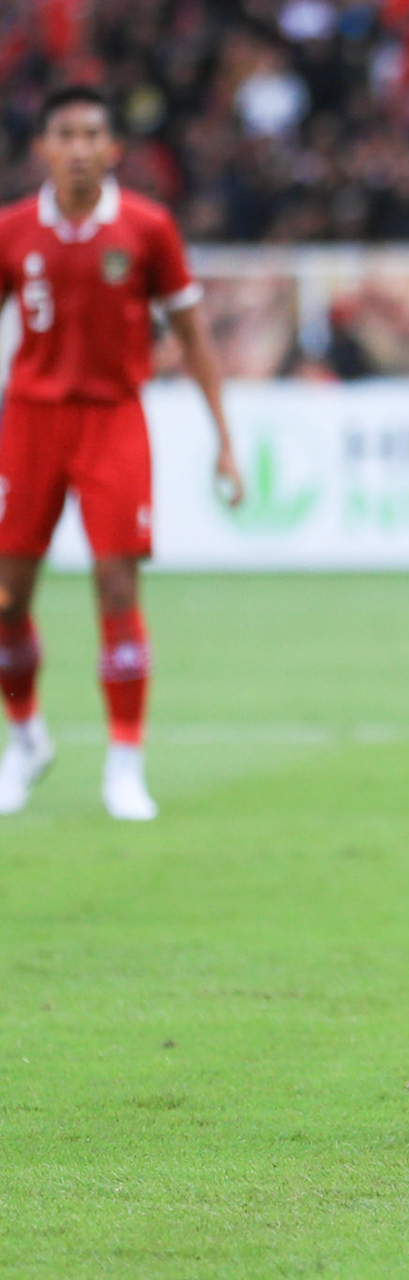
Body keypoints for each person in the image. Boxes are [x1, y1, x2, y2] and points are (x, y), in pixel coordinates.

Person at [0, 86, 243, 821]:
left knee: (116, 587)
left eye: (91, 135)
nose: (78, 148)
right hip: (31, 421)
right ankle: (26, 739)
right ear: (43, 148)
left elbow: (193, 336)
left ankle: (125, 763)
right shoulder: (13, 230)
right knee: (7, 599)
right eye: (65, 134)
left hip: (113, 421)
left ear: (113, 149)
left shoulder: (146, 227)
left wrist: (224, 441)